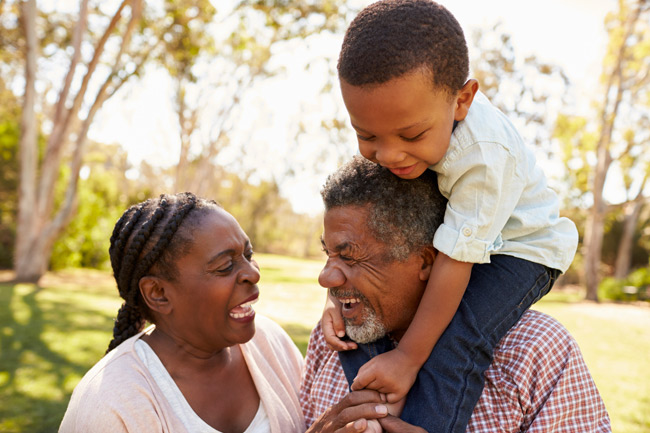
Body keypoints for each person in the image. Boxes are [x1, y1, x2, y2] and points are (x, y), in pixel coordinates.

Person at [321, 1, 580, 431]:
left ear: (462, 100)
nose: (387, 155)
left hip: (520, 249)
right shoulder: (411, 125)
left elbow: (454, 263)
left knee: (459, 337)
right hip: (462, 241)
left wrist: (407, 358)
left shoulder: (482, 158)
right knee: (368, 322)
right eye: (366, 135)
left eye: (410, 135)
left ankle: (426, 424)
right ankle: (374, 413)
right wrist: (336, 296)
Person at [303, 156, 611, 432]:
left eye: (349, 256)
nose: (324, 277)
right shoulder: (331, 337)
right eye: (327, 254)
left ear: (426, 260)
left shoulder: (535, 350)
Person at [59, 192, 305, 433]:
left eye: (248, 255)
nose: (253, 273)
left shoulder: (271, 341)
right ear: (158, 293)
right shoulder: (109, 405)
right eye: (225, 266)